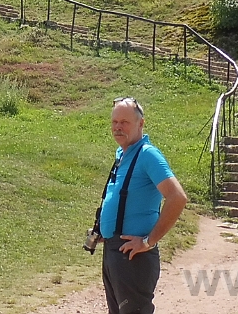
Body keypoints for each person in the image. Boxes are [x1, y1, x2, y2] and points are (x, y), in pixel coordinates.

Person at [93, 97, 188, 314]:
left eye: (124, 122)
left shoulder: (148, 155)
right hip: (113, 251)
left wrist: (148, 241)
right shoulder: (122, 155)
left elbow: (178, 198)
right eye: (115, 122)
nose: (118, 127)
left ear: (140, 124)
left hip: (133, 257)